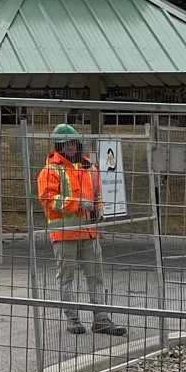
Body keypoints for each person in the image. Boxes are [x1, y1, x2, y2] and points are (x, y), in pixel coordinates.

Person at [36, 123, 125, 336]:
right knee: (66, 278)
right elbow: (48, 199)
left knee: (96, 275)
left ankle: (101, 318)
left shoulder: (89, 168)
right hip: (64, 232)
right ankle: (72, 318)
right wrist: (77, 203)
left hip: (88, 231)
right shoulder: (50, 170)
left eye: (73, 143)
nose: (70, 147)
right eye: (66, 144)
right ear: (58, 146)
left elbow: (97, 195)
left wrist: (100, 208)